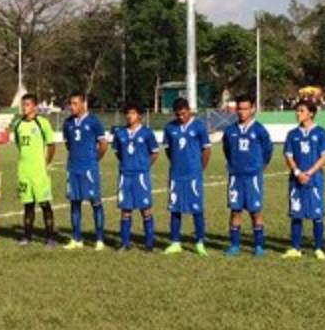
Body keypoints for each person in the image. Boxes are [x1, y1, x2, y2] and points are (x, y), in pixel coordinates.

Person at [221, 94, 273, 257]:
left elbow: (267, 151)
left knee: (255, 211)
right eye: (239, 109)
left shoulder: (259, 129)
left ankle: (258, 246)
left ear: (252, 109)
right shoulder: (230, 130)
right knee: (235, 210)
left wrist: (259, 167)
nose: (242, 112)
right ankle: (234, 245)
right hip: (235, 176)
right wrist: (234, 165)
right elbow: (227, 150)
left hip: (253, 177)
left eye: (245, 109)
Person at [162, 97, 211, 256]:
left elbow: (206, 150)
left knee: (197, 209)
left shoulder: (199, 127)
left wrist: (199, 168)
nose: (181, 117)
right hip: (176, 175)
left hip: (193, 175)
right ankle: (175, 242)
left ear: (189, 111)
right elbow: (168, 150)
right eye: (178, 114)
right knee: (175, 209)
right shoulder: (169, 128)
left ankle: (200, 242)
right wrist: (177, 163)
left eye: (183, 113)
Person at [282, 100, 325, 259]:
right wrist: (297, 172)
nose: (298, 113)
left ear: (311, 113)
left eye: (302, 110)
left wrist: (309, 173)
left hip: (314, 180)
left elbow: (324, 156)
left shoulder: (321, 132)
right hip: (296, 180)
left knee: (317, 215)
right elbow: (288, 156)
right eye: (297, 111)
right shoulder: (292, 134)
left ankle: (318, 248)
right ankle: (296, 248)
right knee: (296, 214)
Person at [61, 93, 108, 250]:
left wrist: (94, 159)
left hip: (89, 168)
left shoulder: (94, 121)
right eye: (71, 103)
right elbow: (68, 144)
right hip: (73, 167)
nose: (72, 106)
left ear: (83, 104)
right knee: (74, 202)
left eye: (75, 103)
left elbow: (103, 144)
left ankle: (99, 239)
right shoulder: (67, 123)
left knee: (95, 202)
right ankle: (76, 238)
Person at [112, 103, 159, 251]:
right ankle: (125, 243)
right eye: (127, 113)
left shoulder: (147, 133)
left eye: (132, 113)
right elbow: (117, 152)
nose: (129, 116)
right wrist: (127, 164)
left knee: (145, 209)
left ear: (139, 116)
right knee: (125, 210)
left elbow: (154, 153)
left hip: (141, 176)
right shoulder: (120, 133)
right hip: (125, 176)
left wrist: (144, 166)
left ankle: (149, 243)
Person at [11, 93, 57, 246]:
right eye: (23, 104)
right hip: (24, 171)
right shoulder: (18, 124)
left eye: (27, 104)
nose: (24, 107)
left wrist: (46, 163)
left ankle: (50, 237)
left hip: (39, 172)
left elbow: (51, 145)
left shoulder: (42, 123)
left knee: (45, 204)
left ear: (35, 107)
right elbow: (18, 144)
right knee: (28, 205)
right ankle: (27, 236)